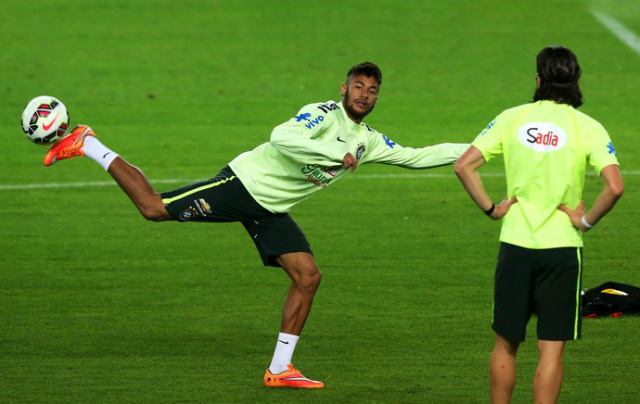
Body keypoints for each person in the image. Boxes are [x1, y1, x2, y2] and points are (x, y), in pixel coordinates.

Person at [43, 62, 469, 388]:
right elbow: (282, 136)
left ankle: (280, 369)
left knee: (308, 276)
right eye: (358, 86)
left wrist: (482, 147)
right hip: (242, 185)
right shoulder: (322, 114)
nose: (364, 94)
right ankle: (88, 142)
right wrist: (331, 157)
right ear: (344, 89)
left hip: (269, 207)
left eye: (372, 90)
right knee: (153, 208)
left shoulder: (368, 140)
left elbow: (416, 156)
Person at [454, 46, 623, 404]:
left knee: (505, 344)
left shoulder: (511, 118)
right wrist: (586, 220)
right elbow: (615, 187)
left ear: (538, 80)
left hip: (515, 246)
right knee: (551, 350)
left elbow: (463, 165)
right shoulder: (588, 127)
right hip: (561, 249)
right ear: (575, 81)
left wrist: (492, 209)